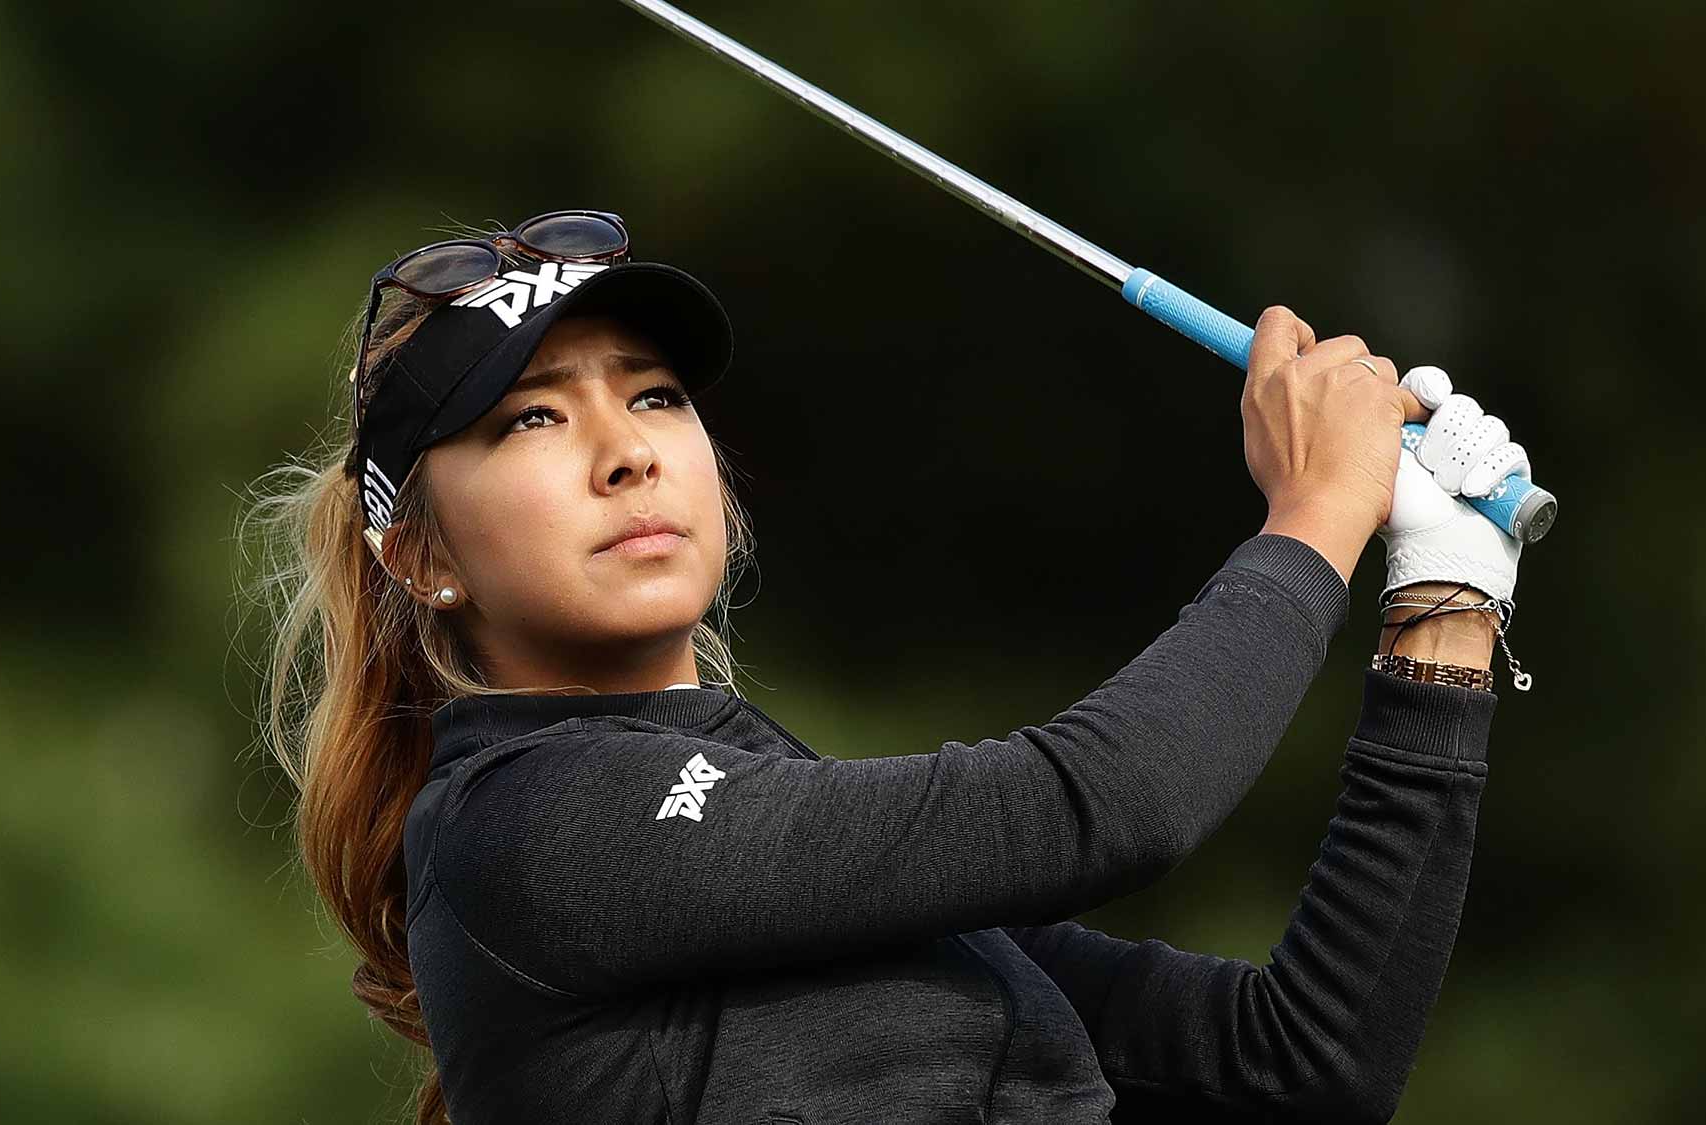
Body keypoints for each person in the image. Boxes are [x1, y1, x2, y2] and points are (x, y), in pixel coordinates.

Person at [241, 208, 1534, 1124]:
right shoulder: (527, 824)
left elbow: (1301, 1068)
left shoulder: (802, 847)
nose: (624, 450)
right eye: (531, 417)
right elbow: (1106, 802)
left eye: (650, 395)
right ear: (419, 556)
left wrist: (1444, 604)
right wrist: (1314, 516)